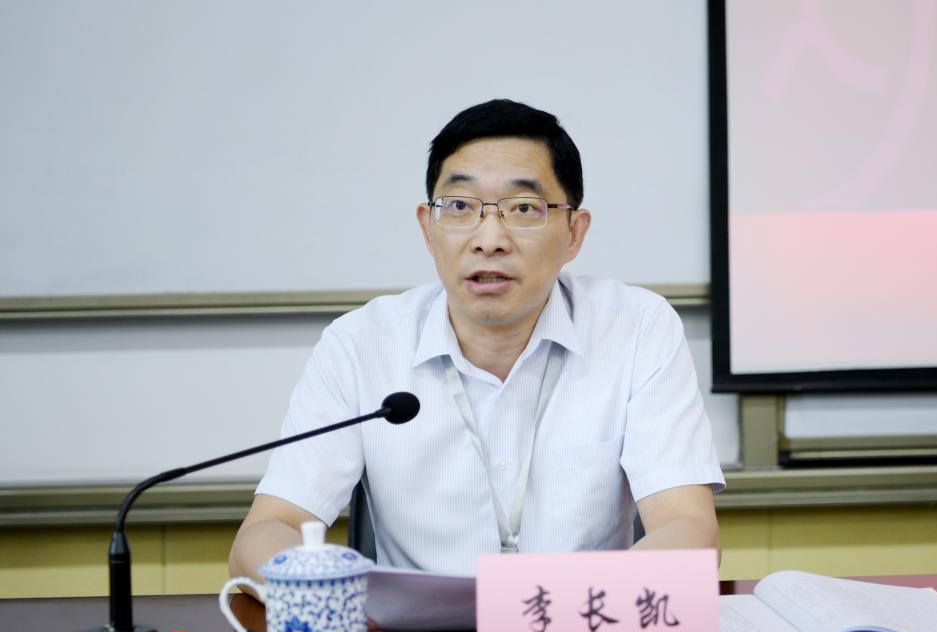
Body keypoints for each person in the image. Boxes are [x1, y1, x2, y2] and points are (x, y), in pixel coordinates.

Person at [229, 99, 724, 583]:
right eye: (461, 207)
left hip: (580, 625)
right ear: (428, 228)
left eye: (523, 208)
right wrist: (330, 599)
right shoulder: (359, 347)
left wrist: (570, 608)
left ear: (574, 233)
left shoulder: (637, 330)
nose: (489, 239)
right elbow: (270, 528)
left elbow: (687, 526)